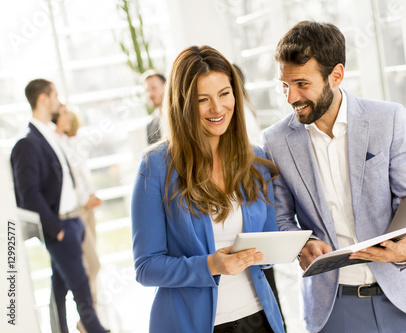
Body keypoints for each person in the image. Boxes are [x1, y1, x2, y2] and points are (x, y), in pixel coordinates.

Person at [261, 21, 406, 333]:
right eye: (284, 85)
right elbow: (279, 218)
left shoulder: (388, 119)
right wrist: (304, 244)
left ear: (336, 75)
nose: (291, 98)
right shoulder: (276, 141)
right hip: (335, 307)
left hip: (404, 295)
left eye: (302, 84)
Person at [131, 45, 285, 333]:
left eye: (224, 94)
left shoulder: (255, 161)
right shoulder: (155, 167)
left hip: (258, 319)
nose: (218, 108)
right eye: (203, 99)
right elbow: (146, 267)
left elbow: (267, 250)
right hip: (196, 324)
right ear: (182, 103)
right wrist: (210, 265)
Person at [10, 79, 108, 333]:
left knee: (59, 287)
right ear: (43, 99)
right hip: (59, 226)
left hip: (72, 222)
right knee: (81, 287)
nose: (58, 100)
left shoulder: (50, 134)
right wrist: (56, 229)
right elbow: (28, 193)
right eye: (54, 95)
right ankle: (95, 328)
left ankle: (59, 330)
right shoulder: (27, 142)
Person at [52, 106, 102, 318]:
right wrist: (84, 198)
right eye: (63, 112)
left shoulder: (69, 142)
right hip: (76, 211)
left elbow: (81, 176)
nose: (68, 115)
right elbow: (67, 183)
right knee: (92, 264)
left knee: (90, 264)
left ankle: (90, 317)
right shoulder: (54, 144)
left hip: (87, 207)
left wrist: (91, 194)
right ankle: (89, 319)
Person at [142, 70, 168, 144]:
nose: (150, 94)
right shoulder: (150, 126)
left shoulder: (182, 116)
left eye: (153, 88)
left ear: (165, 86)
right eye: (147, 90)